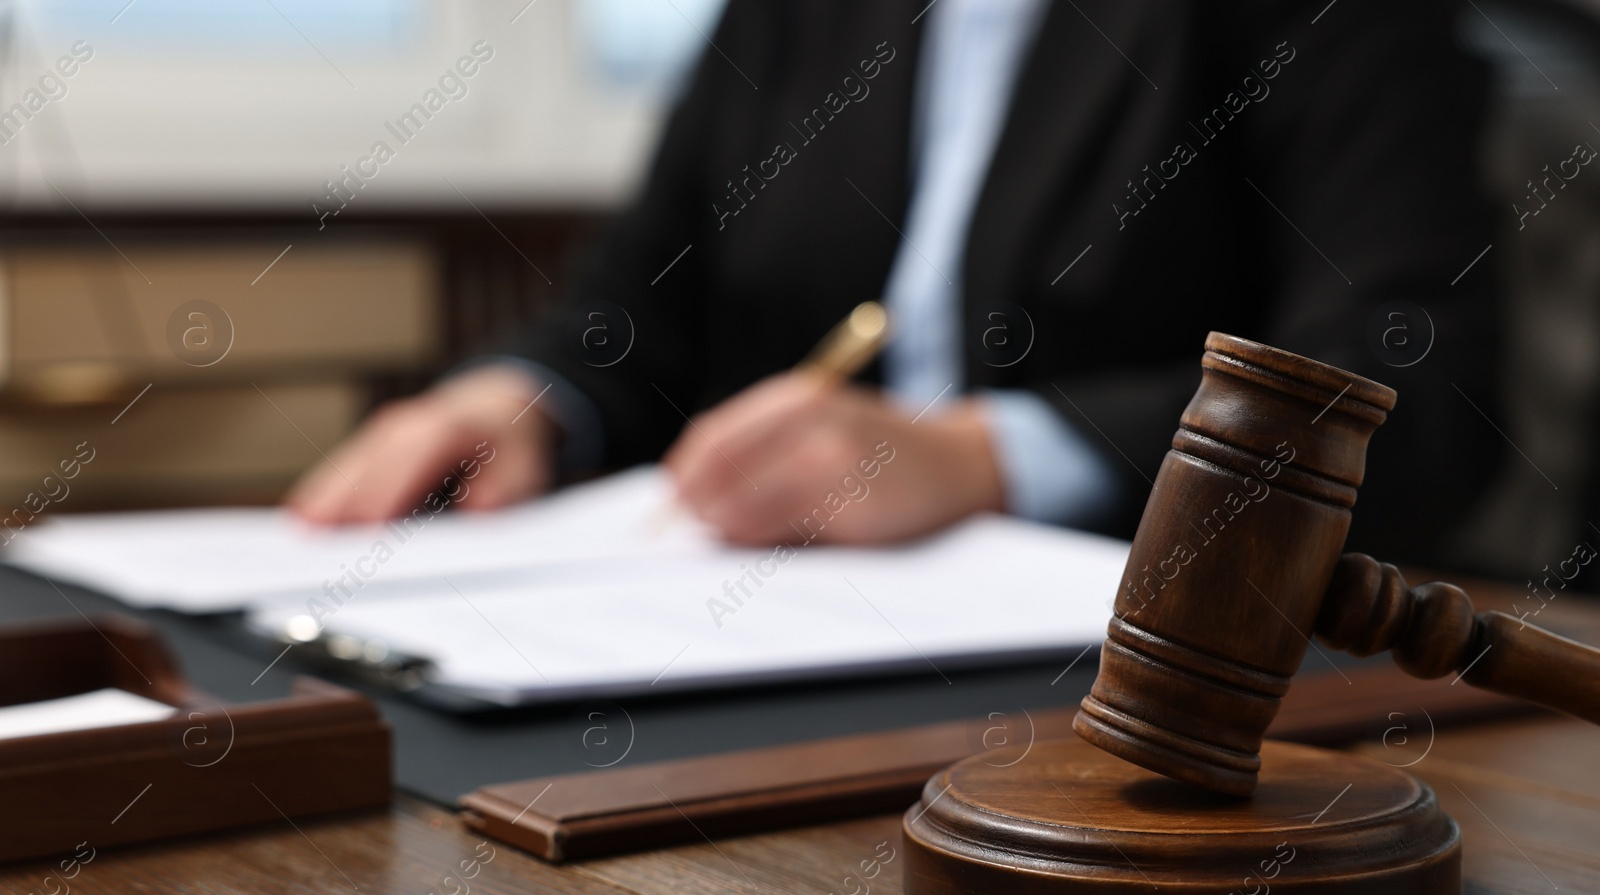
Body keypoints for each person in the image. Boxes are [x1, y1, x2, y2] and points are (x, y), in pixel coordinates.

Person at [289, 0, 1501, 564]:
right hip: (761, 649)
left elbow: (1414, 390)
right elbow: (633, 307)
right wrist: (522, 396)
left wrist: (987, 458)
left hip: (1154, 698)